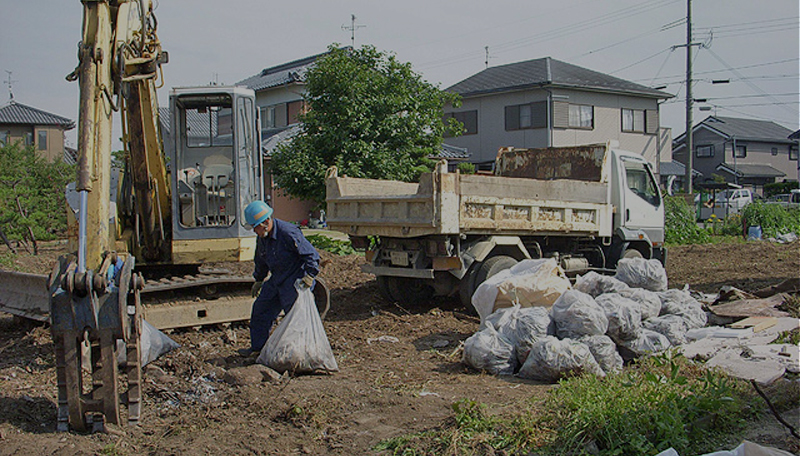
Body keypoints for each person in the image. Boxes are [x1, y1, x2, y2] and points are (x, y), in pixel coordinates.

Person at [238, 200, 320, 357]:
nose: (255, 231)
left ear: (266, 221)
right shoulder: (262, 236)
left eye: (255, 227)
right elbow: (261, 259)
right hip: (278, 278)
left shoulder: (288, 232)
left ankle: (300, 354)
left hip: (295, 279)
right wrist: (259, 279)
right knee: (261, 310)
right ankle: (258, 349)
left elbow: (311, 255)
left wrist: (310, 276)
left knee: (295, 318)